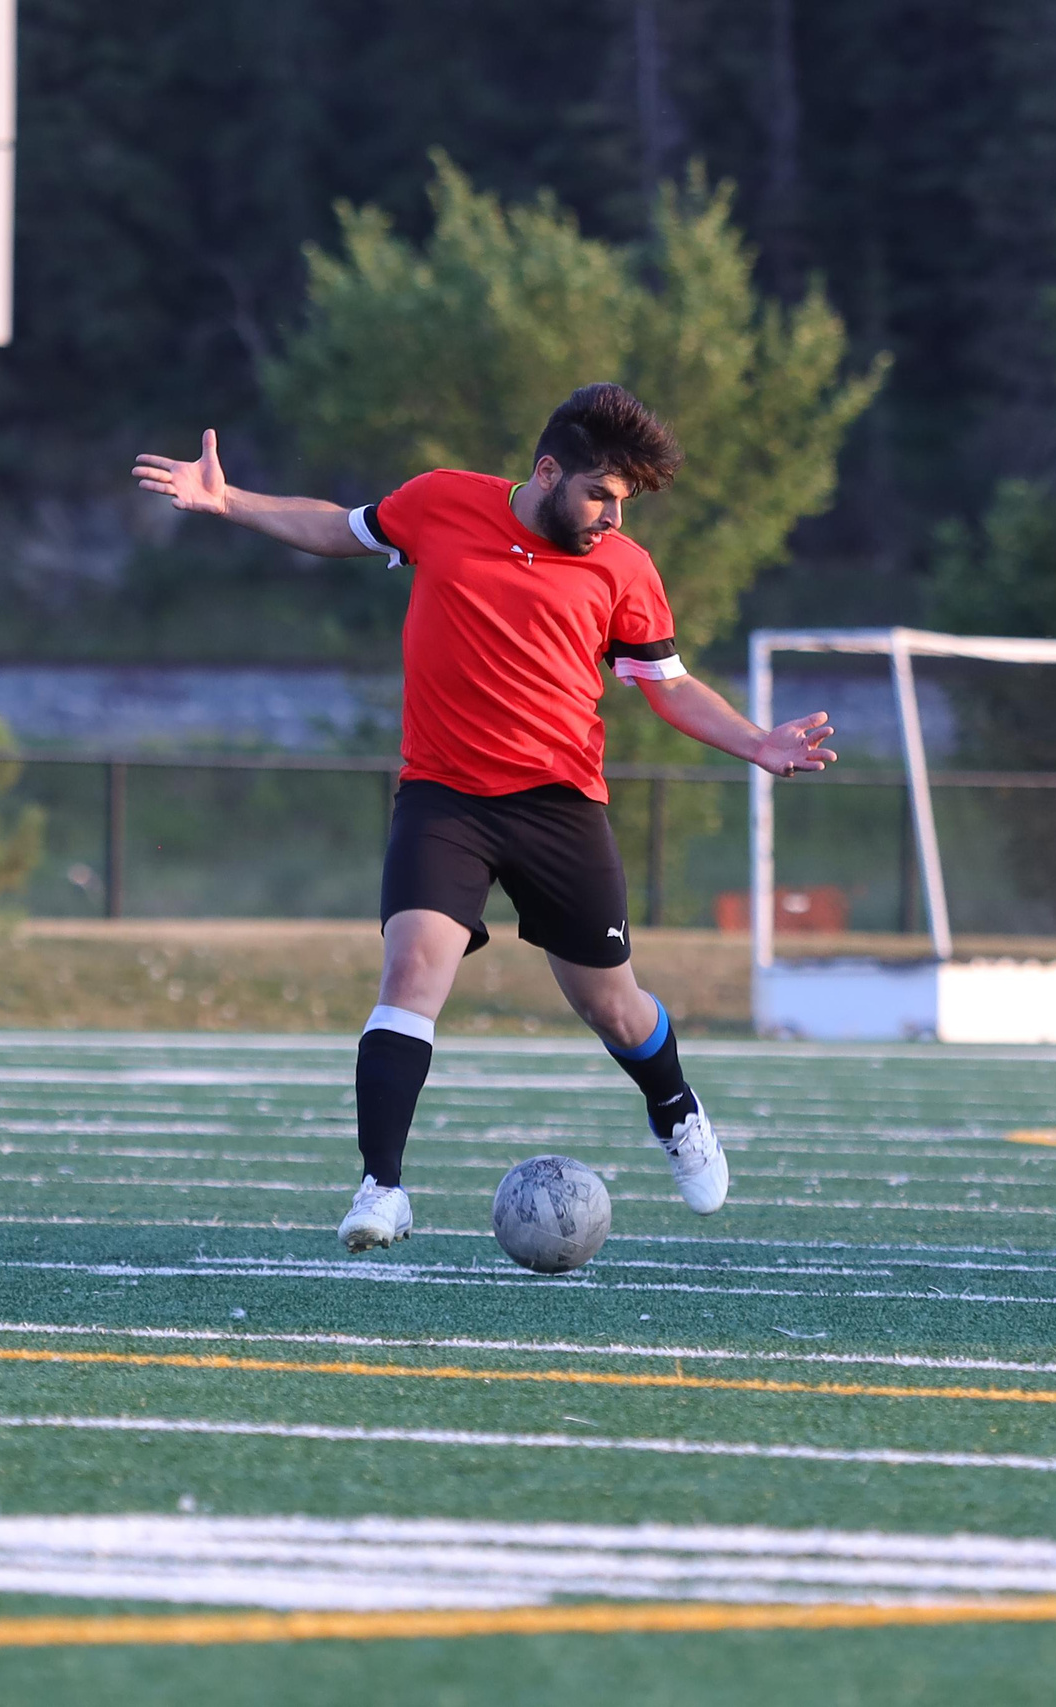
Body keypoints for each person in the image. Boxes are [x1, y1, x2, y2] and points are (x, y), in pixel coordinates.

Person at [131, 383, 837, 1252]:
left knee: (612, 1008)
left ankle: (676, 1108)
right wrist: (228, 499)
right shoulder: (439, 502)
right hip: (445, 795)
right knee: (410, 972)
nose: (613, 519)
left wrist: (756, 742)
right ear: (548, 472)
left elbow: (671, 686)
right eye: (601, 497)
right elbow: (335, 530)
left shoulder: (625, 570)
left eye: (624, 505)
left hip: (559, 805)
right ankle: (381, 1189)